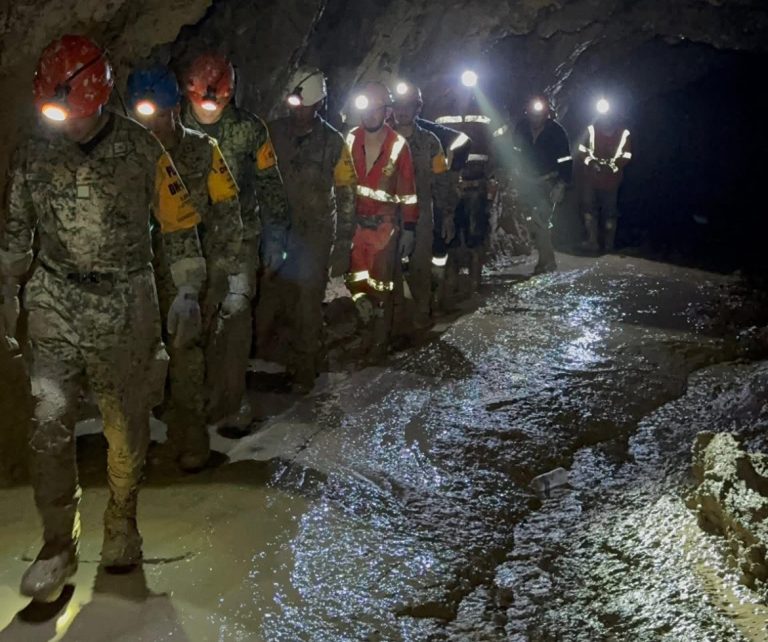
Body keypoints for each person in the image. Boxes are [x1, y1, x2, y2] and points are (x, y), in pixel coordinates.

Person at [0, 35, 205, 601]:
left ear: (98, 97)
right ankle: (56, 544)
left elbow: (179, 226)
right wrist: (7, 289)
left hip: (124, 303)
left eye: (76, 111)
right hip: (54, 299)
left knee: (124, 425)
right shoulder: (33, 149)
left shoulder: (142, 150)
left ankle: (121, 522)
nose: (65, 123)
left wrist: (187, 290)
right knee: (48, 421)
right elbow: (16, 228)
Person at [126, 64, 243, 470]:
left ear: (176, 109)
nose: (152, 124)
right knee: (139, 358)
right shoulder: (128, 153)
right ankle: (139, 445)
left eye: (158, 114)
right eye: (144, 115)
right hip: (138, 272)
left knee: (186, 356)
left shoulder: (203, 150)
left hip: (190, 270)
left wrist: (226, 266)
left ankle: (191, 440)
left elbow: (228, 211)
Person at [183, 52, 290, 430]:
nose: (209, 105)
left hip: (240, 240)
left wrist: (277, 235)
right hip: (187, 241)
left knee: (234, 313)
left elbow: (269, 182)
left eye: (217, 99)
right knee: (190, 317)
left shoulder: (250, 129)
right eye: (202, 98)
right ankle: (190, 398)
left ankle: (231, 402)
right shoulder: (174, 126)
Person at [259, 66, 357, 392]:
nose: (299, 111)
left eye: (306, 106)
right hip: (279, 226)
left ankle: (306, 368)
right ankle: (285, 358)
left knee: (308, 299)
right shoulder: (273, 133)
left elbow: (346, 193)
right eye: (295, 105)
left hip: (316, 231)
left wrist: (343, 242)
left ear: (319, 105)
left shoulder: (334, 142)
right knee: (281, 295)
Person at [345, 81, 418, 360]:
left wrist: (409, 229)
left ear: (387, 111)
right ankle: (367, 331)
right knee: (356, 281)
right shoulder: (351, 139)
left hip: (384, 227)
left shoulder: (398, 145)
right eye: (366, 109)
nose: (370, 115)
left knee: (381, 286)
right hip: (355, 225)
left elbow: (408, 192)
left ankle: (378, 343)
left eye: (376, 110)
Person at [392, 81, 458, 329]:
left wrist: (448, 214)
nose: (402, 111)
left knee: (420, 266)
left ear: (417, 108)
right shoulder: (382, 138)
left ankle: (421, 314)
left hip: (421, 215)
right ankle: (396, 318)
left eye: (407, 106)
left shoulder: (430, 143)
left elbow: (441, 181)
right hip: (389, 213)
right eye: (398, 105)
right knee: (391, 269)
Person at [435, 79, 500, 295]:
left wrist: (491, 176)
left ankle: (474, 282)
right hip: (451, 184)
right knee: (450, 234)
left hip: (477, 182)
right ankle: (450, 283)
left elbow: (498, 146)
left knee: (475, 234)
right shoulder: (441, 114)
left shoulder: (484, 112)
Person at [510, 96, 572, 273]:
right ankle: (546, 259)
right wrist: (513, 172)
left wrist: (562, 184)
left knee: (541, 219)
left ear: (546, 114)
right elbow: (514, 152)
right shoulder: (521, 128)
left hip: (548, 181)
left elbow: (566, 159)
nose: (535, 118)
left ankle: (546, 261)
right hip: (527, 181)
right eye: (532, 114)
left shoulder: (557, 131)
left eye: (539, 115)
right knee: (531, 220)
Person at [577, 99, 633, 252]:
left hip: (611, 180)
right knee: (589, 210)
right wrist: (592, 163)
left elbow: (627, 155)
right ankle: (592, 241)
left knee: (609, 212)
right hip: (592, 177)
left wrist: (612, 166)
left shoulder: (623, 133)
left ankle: (609, 245)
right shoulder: (591, 130)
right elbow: (582, 150)